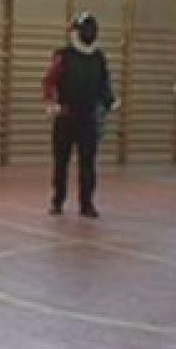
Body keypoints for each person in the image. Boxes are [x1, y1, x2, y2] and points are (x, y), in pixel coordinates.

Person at [42, 12, 115, 218]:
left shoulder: (98, 57)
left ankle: (87, 204)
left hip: (88, 117)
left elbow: (104, 83)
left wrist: (109, 100)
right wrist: (51, 102)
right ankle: (58, 201)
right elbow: (49, 80)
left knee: (88, 163)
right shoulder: (64, 55)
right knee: (61, 161)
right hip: (66, 116)